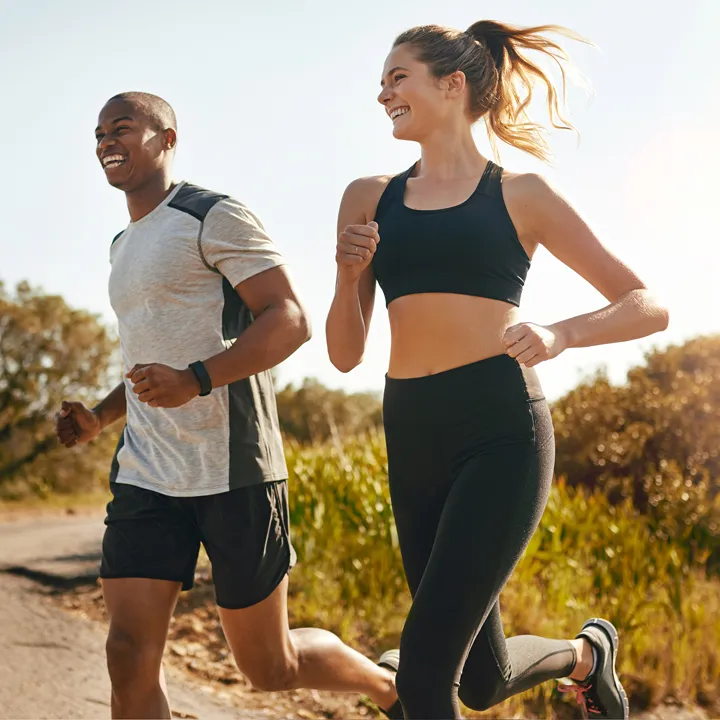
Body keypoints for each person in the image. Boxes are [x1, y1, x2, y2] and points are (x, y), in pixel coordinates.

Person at [326, 21, 669, 720]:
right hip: (411, 430)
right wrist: (345, 271)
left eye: (399, 77)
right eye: (383, 79)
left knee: (421, 676)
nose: (383, 91)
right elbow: (343, 353)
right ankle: (587, 656)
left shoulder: (521, 195)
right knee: (478, 681)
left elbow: (647, 305)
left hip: (500, 430)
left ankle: (579, 659)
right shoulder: (369, 196)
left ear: (451, 85)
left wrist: (561, 332)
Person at [54, 91, 398, 719]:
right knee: (128, 654)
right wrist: (101, 417)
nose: (106, 141)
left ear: (168, 138)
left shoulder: (213, 214)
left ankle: (388, 688)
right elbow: (149, 359)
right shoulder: (120, 246)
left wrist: (196, 379)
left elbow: (289, 320)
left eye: (122, 128)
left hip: (234, 468)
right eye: (98, 133)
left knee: (269, 668)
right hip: (147, 474)